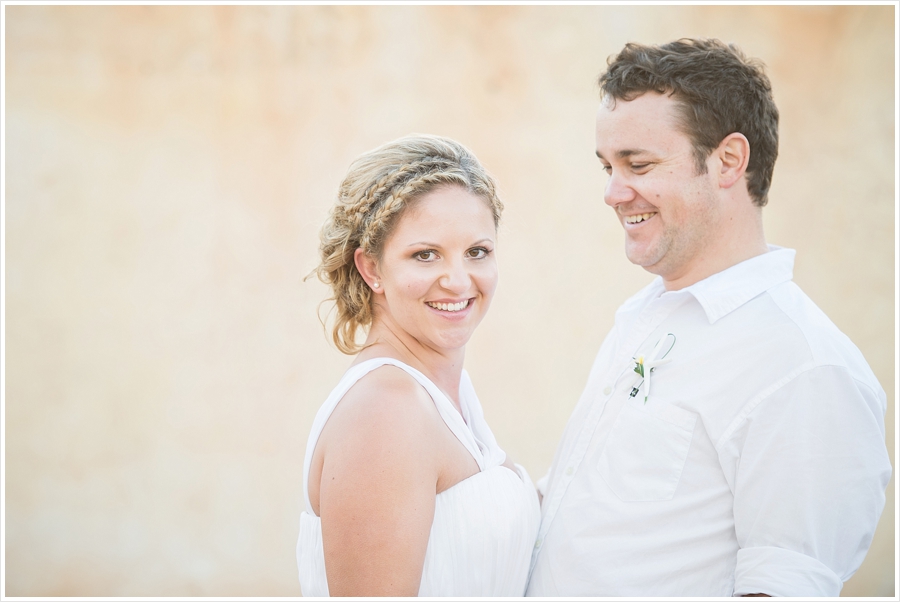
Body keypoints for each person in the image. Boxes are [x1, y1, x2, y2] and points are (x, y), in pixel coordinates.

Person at [526, 38, 891, 597]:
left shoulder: (805, 366)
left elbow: (784, 584)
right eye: (607, 166)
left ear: (728, 161)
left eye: (638, 164)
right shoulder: (644, 317)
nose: (613, 192)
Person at [297, 134, 540, 596]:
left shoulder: (449, 394)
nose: (457, 280)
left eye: (477, 252)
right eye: (425, 255)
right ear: (371, 269)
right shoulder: (386, 409)